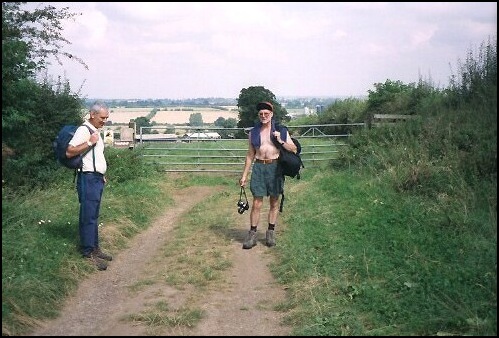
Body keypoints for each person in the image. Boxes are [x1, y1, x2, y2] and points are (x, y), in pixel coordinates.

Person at [239, 101, 297, 249]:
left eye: (266, 113)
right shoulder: (253, 132)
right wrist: (244, 175)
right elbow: (250, 155)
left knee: (274, 202)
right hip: (259, 167)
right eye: (261, 114)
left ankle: (270, 232)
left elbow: (294, 149)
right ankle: (252, 234)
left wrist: (281, 141)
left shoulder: (281, 131)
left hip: (275, 167)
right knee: (257, 203)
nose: (263, 116)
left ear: (271, 115)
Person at [67, 101, 111, 270]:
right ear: (92, 115)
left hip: (96, 178)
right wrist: (90, 142)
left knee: (93, 215)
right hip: (88, 178)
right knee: (88, 215)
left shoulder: (94, 131)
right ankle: (87, 252)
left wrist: (101, 174)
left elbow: (95, 156)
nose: (104, 121)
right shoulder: (84, 130)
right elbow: (70, 151)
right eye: (102, 117)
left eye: (106, 118)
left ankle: (95, 248)